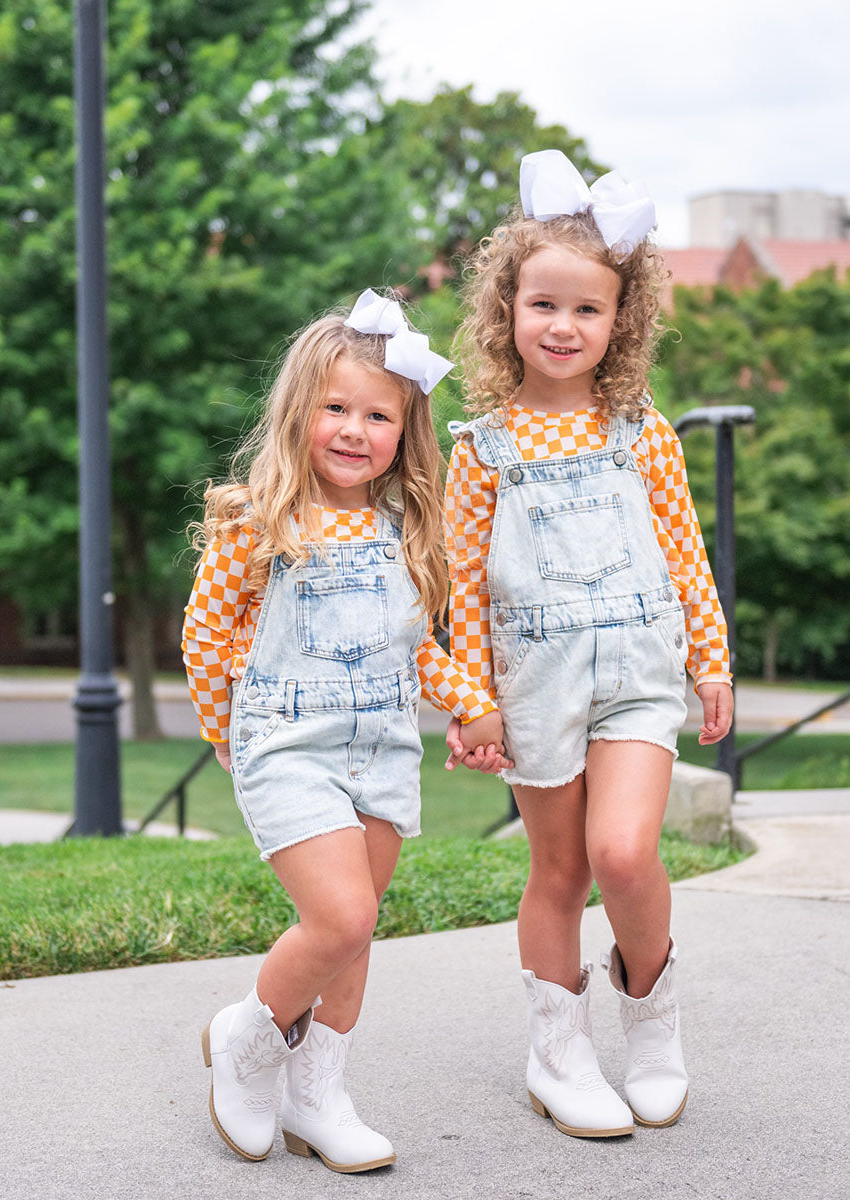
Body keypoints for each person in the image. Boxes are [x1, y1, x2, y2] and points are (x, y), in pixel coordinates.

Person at [182, 289, 510, 1174]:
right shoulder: (258, 522)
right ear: (299, 410)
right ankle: (248, 1040)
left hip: (383, 752)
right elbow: (204, 637)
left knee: (355, 936)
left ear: (405, 431)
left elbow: (415, 646)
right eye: (335, 408)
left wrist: (470, 701)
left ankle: (317, 1097)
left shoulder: (404, 527)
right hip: (286, 746)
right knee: (341, 916)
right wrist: (226, 735)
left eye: (378, 416)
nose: (354, 430)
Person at [444, 150, 733, 1138]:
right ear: (508, 311)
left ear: (621, 321)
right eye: (544, 305)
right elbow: (461, 587)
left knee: (623, 850)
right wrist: (471, 698)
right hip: (535, 683)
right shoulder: (480, 450)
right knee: (561, 872)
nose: (563, 326)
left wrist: (711, 659)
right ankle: (558, 1053)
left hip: (640, 672)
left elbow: (685, 551)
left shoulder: (643, 432)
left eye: (587, 309)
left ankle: (651, 1018)